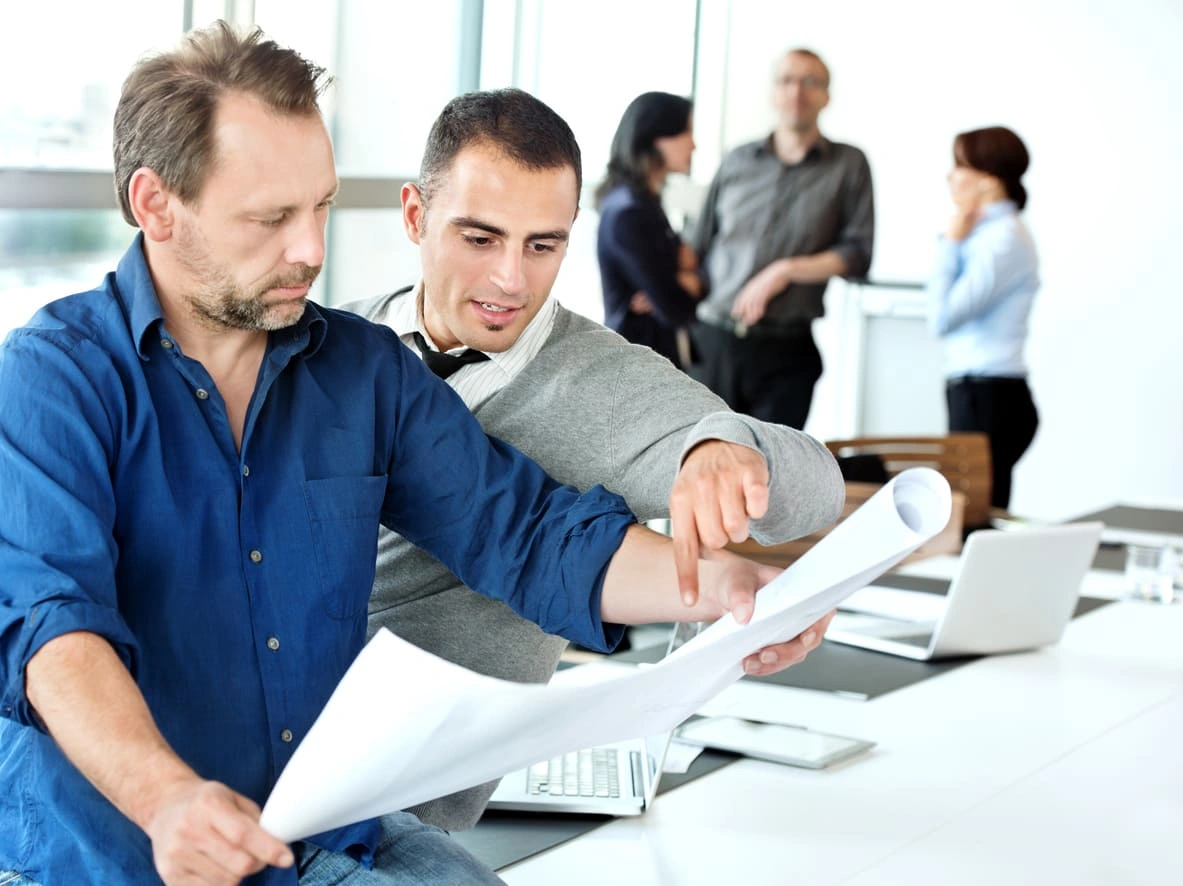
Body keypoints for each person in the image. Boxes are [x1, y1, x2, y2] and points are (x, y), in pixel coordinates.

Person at [0, 23, 831, 886]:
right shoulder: (53, 377)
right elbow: (53, 630)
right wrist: (167, 796)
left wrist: (734, 591)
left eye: (319, 206)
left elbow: (530, 536)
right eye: (271, 217)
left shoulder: (361, 370)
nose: (310, 249)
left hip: (320, 827)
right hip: (117, 849)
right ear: (155, 204)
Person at [342, 87, 845, 831]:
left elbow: (819, 488)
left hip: (402, 820)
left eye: (541, 245)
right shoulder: (327, 349)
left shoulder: (605, 384)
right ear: (416, 216)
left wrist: (724, 446)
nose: (511, 279)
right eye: (479, 239)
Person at [689, 47, 874, 429]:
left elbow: (857, 254)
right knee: (698, 466)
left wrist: (785, 270)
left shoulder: (848, 165)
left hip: (787, 351)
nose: (797, 92)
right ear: (774, 92)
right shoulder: (737, 160)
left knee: (772, 477)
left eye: (810, 82)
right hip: (714, 342)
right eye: (787, 81)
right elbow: (698, 242)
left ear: (826, 96)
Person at [926, 126, 1039, 513]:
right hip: (978, 393)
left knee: (974, 520)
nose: (950, 177)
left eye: (959, 166)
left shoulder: (1003, 238)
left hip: (991, 398)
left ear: (989, 179)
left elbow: (942, 317)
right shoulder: (988, 233)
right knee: (971, 516)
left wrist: (951, 244)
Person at [595, 91, 701, 368]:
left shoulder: (644, 203)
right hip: (637, 366)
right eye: (686, 132)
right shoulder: (629, 212)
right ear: (656, 138)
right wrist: (686, 282)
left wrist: (680, 279)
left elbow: (683, 270)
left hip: (650, 359)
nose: (694, 145)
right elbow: (674, 306)